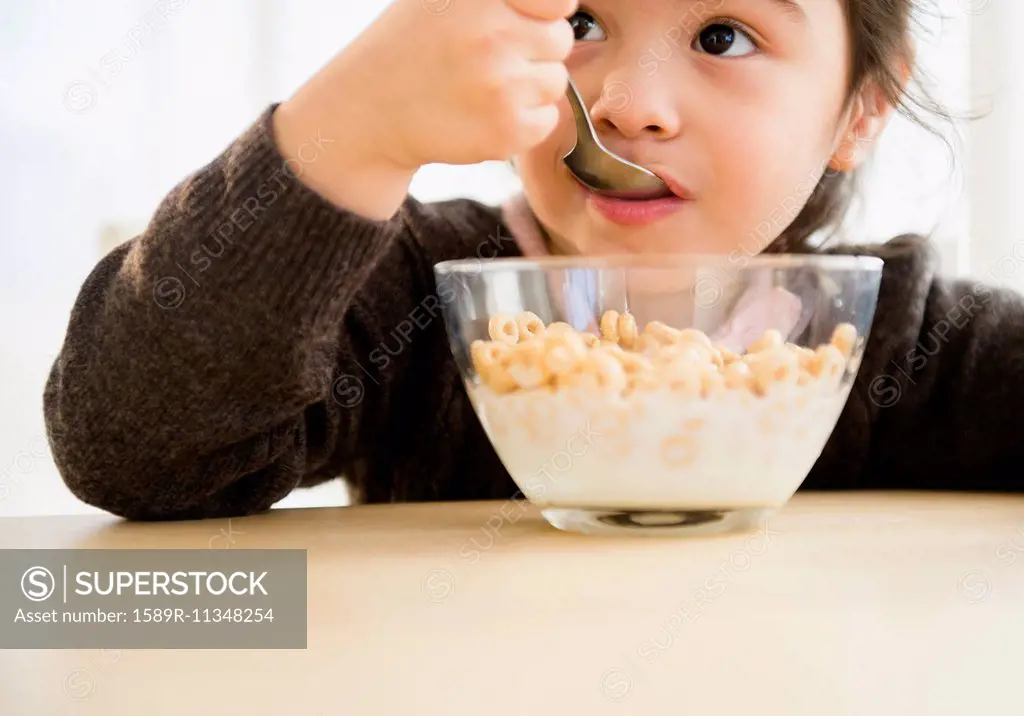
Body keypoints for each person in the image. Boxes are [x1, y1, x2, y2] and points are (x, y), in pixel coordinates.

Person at [43, 0, 1023, 521]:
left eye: (723, 35)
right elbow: (137, 449)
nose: (633, 103)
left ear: (862, 107)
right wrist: (349, 128)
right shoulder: (409, 297)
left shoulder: (890, 339)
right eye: (583, 24)